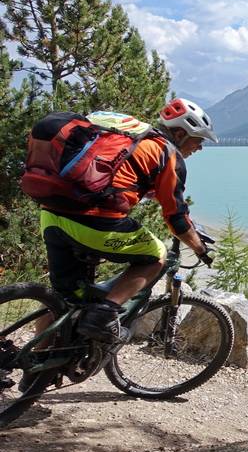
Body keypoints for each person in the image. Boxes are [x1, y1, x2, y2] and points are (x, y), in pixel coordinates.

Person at [39, 98, 217, 342]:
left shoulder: (132, 138)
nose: (199, 148)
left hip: (50, 214)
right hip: (93, 221)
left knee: (63, 297)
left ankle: (36, 364)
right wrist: (200, 249)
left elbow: (148, 191)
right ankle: (104, 315)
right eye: (198, 139)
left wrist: (189, 225)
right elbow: (175, 217)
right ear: (179, 133)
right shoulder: (168, 153)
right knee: (156, 257)